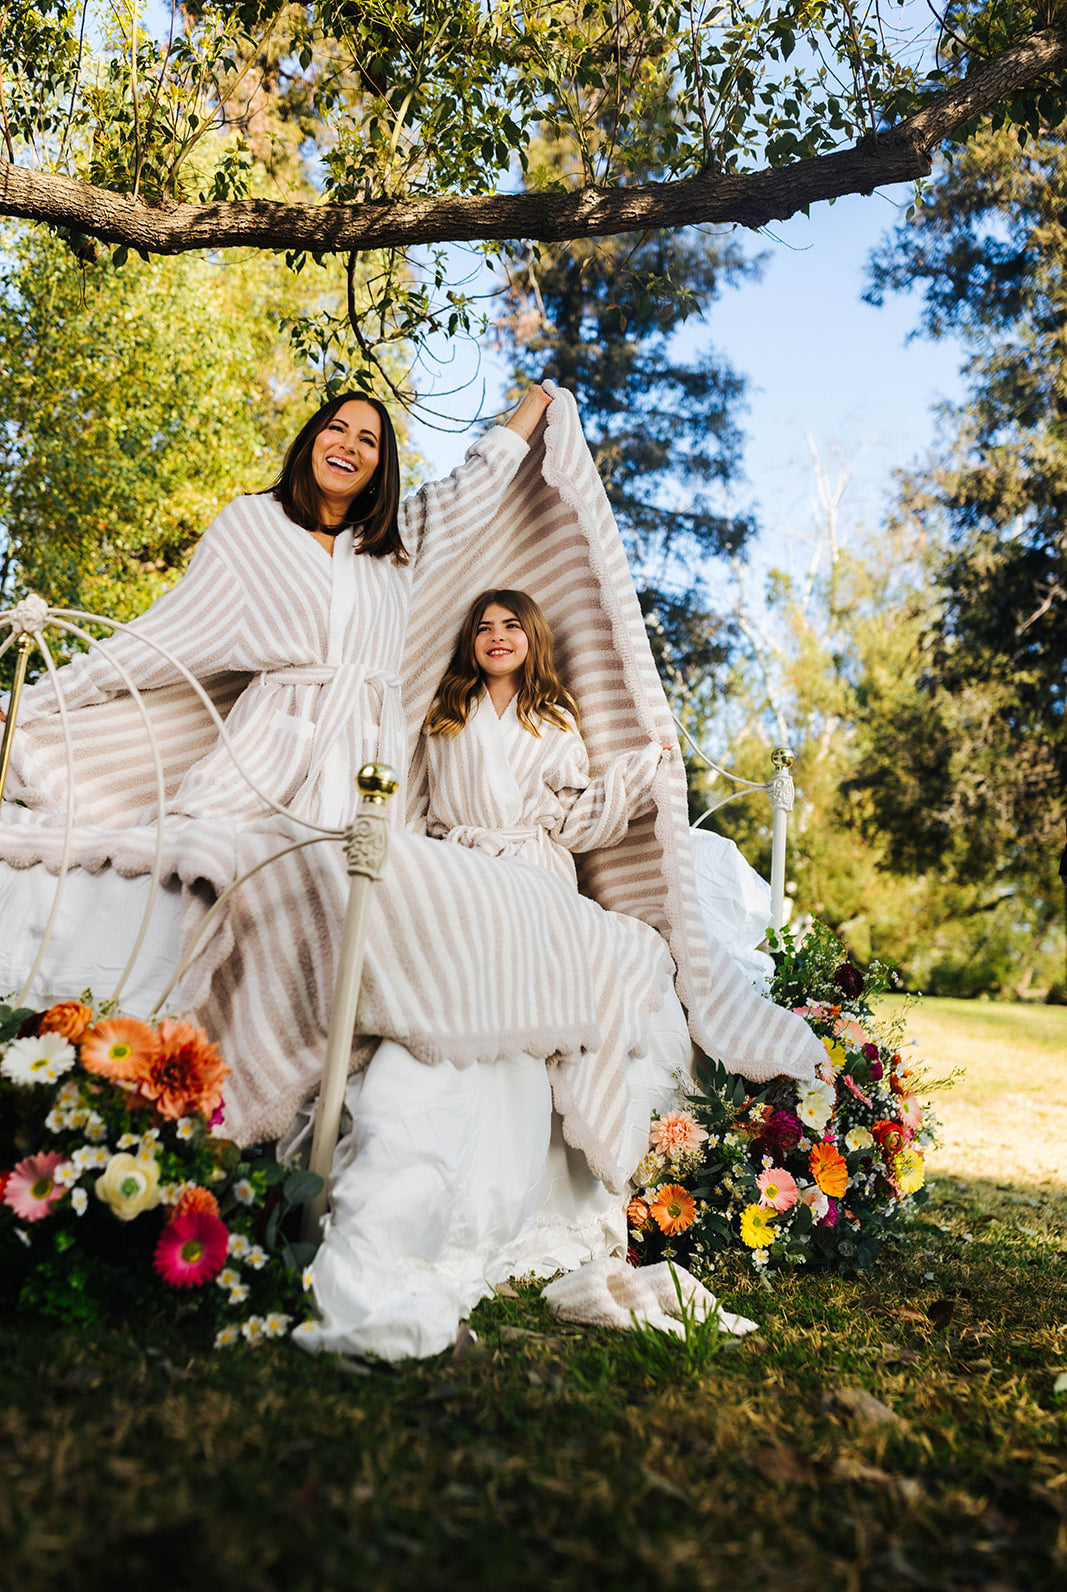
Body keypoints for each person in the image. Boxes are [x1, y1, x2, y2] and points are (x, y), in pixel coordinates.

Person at [1, 381, 827, 1358]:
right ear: (308, 443)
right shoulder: (250, 527)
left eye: (368, 436)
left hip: (359, 774)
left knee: (346, 869)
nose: (349, 443)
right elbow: (170, 635)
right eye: (335, 428)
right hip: (269, 748)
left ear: (381, 465)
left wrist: (537, 408)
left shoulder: (398, 554)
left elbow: (472, 489)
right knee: (234, 851)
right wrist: (51, 694)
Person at [424, 588, 671, 886]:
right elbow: (424, 794)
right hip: (456, 860)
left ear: (533, 637)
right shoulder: (446, 712)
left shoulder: (555, 720)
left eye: (511, 626)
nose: (497, 636)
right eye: (483, 629)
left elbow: (572, 815)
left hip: (533, 865)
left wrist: (640, 771)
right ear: (469, 643)